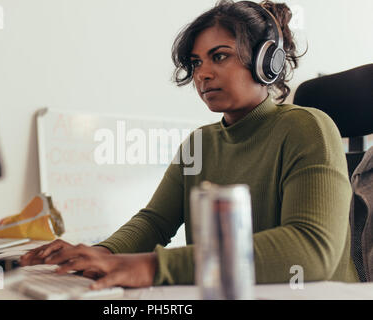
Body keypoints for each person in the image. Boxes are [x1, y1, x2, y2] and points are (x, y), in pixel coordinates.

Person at [20, 0, 360, 289]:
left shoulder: (308, 128)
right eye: (197, 62)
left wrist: (154, 267)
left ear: (266, 62)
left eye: (220, 56)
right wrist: (101, 255)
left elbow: (309, 253)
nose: (202, 74)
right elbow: (155, 222)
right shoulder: (199, 144)